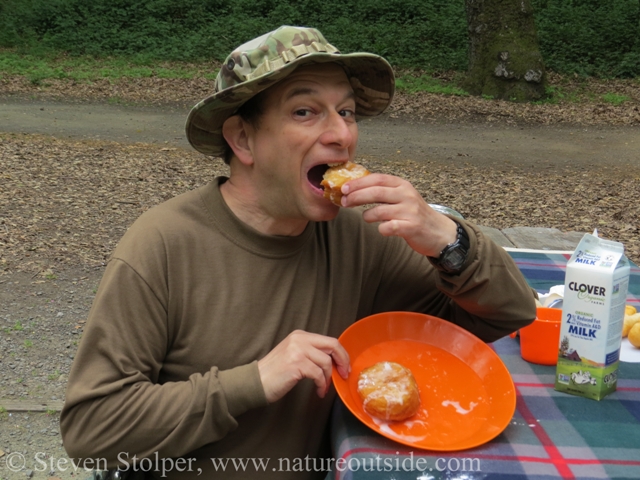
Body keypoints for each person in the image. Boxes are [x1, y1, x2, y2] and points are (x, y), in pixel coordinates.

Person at [60, 25, 536, 479]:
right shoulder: (163, 246)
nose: (341, 136)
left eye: (346, 113)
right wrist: (253, 381)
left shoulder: (359, 236)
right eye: (305, 112)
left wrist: (446, 238)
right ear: (243, 139)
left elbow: (505, 314)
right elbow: (90, 429)